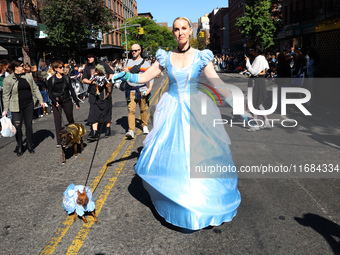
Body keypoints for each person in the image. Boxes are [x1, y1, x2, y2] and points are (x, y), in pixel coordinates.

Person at [112, 17, 241, 230]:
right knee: (177, 158)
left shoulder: (202, 56)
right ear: (173, 33)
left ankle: (200, 203)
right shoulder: (166, 56)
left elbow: (218, 84)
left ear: (191, 30)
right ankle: (179, 204)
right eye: (176, 29)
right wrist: (125, 75)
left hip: (196, 109)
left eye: (184, 28)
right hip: (171, 108)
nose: (180, 32)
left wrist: (241, 107)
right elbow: (144, 78)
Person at [2, 60, 44, 156]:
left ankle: (29, 144)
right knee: (17, 127)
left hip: (28, 104)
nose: (24, 67)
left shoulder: (28, 76)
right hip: (15, 106)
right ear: (15, 67)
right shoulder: (8, 79)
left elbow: (35, 88)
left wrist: (41, 101)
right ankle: (20, 145)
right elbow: (6, 95)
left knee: (28, 125)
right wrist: (5, 109)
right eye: (21, 66)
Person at [123, 44, 153, 139]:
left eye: (135, 50)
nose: (133, 52)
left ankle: (144, 126)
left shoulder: (146, 63)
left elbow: (151, 76)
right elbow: (124, 75)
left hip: (142, 89)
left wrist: (150, 88)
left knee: (143, 109)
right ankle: (131, 130)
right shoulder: (127, 62)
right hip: (130, 89)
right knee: (131, 110)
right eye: (132, 51)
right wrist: (125, 72)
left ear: (140, 50)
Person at [82, 51, 114, 140]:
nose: (89, 58)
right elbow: (83, 79)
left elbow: (111, 72)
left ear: (95, 57)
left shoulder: (102, 64)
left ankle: (107, 128)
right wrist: (91, 82)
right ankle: (94, 133)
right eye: (88, 57)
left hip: (104, 92)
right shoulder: (87, 67)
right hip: (93, 93)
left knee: (106, 110)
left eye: (91, 56)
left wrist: (107, 79)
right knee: (93, 112)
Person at [47, 61, 80, 147]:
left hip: (67, 100)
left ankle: (74, 135)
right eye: (60, 67)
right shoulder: (51, 80)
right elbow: (50, 93)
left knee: (70, 119)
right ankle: (60, 141)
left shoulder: (66, 78)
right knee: (57, 121)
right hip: (56, 102)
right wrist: (55, 102)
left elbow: (71, 90)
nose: (63, 69)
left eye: (63, 67)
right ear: (55, 69)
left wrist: (77, 102)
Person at [245, 46, 271, 131]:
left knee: (254, 102)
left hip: (255, 81)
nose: (251, 51)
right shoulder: (263, 58)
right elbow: (265, 69)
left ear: (256, 51)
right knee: (258, 102)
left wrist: (247, 62)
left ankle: (255, 124)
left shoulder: (258, 59)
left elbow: (253, 71)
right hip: (261, 80)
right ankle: (266, 121)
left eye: (252, 49)